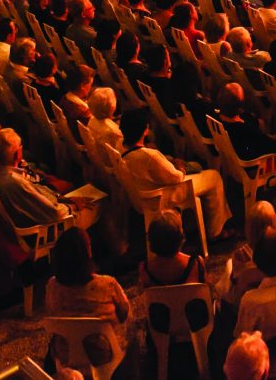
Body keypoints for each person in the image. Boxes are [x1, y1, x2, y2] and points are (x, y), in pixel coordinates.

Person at [117, 108, 231, 240]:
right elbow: (176, 178)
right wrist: (180, 167)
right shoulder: (150, 156)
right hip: (159, 196)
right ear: (145, 130)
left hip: (141, 194)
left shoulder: (119, 146)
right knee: (214, 177)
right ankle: (215, 233)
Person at [49, 228, 130, 371]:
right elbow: (124, 313)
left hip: (66, 357)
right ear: (88, 253)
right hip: (104, 355)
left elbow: (51, 312)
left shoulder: (52, 286)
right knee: (134, 334)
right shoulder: (107, 284)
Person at [0, 128, 71, 226]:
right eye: (20, 146)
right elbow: (55, 213)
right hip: (48, 225)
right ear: (17, 154)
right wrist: (71, 207)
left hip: (46, 203)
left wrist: (59, 197)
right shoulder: (15, 182)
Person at [139, 211, 206, 287]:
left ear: (151, 239)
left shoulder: (145, 269)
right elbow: (204, 292)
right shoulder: (196, 264)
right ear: (180, 237)